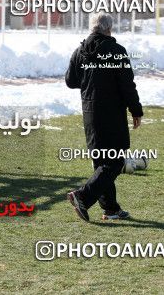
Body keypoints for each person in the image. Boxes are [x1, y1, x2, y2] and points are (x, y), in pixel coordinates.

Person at [65, 12, 143, 221]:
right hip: (112, 115)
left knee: (102, 162)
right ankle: (82, 195)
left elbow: (70, 81)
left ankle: (111, 208)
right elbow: (127, 86)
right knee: (115, 161)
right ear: (109, 29)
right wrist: (136, 111)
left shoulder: (79, 51)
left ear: (92, 28)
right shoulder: (117, 51)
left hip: (90, 113)